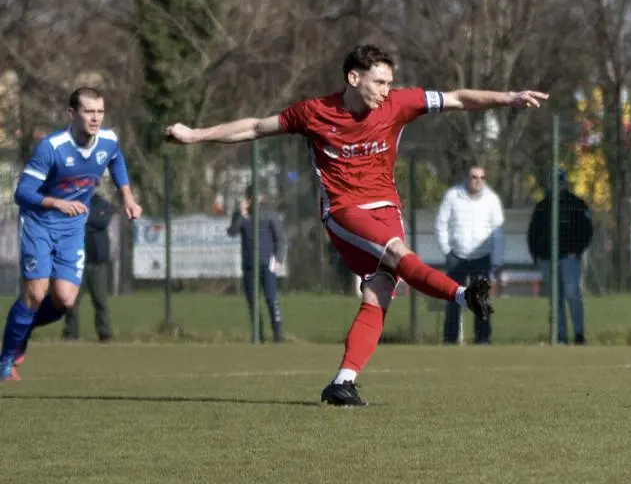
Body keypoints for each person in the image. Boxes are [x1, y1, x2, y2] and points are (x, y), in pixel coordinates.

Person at [165, 44, 548, 405]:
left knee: (380, 291)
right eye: (379, 81)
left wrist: (509, 97)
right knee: (399, 254)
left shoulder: (399, 104)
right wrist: (195, 135)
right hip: (345, 210)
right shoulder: (314, 112)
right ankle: (464, 296)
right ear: (353, 78)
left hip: (387, 208)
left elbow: (459, 98)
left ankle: (342, 382)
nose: (386, 90)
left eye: (389, 83)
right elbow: (254, 128)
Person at [0, 87, 142, 380]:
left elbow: (116, 160)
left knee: (64, 301)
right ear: (72, 114)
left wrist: (127, 196)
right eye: (89, 112)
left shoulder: (108, 141)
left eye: (100, 112)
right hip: (39, 223)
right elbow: (22, 192)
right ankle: (6, 358)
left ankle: (23, 330)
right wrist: (56, 203)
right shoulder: (52, 147)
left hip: (72, 229)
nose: (96, 118)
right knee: (35, 294)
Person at [435, 163, 505, 345]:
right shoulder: (453, 196)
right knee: (453, 298)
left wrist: (497, 260)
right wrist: (446, 250)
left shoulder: (492, 200)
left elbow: (498, 232)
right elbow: (441, 223)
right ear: (467, 178)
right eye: (474, 177)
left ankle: (483, 338)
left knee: (480, 300)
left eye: (482, 178)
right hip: (456, 256)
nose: (478, 181)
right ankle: (450, 338)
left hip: (482, 257)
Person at [526, 169, 593, 345]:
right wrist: (537, 255)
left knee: (572, 294)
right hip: (547, 259)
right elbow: (532, 232)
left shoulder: (576, 204)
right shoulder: (542, 207)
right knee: (556, 299)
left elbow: (587, 230)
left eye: (560, 182)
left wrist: (576, 250)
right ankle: (560, 336)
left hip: (569, 258)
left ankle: (579, 334)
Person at [227, 184, 286, 343]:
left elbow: (280, 238)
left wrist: (278, 259)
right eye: (250, 197)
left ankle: (278, 334)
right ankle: (258, 335)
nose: (253, 199)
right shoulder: (241, 215)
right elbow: (232, 232)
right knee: (253, 301)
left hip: (267, 264)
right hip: (248, 265)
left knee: (270, 298)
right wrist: (241, 214)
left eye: (256, 196)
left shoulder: (269, 214)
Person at [62, 192, 117, 342]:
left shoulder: (104, 204)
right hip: (77, 260)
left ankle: (104, 333)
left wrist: (84, 220)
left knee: (100, 300)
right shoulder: (74, 201)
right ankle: (71, 333)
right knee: (71, 300)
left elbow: (102, 221)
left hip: (97, 261)